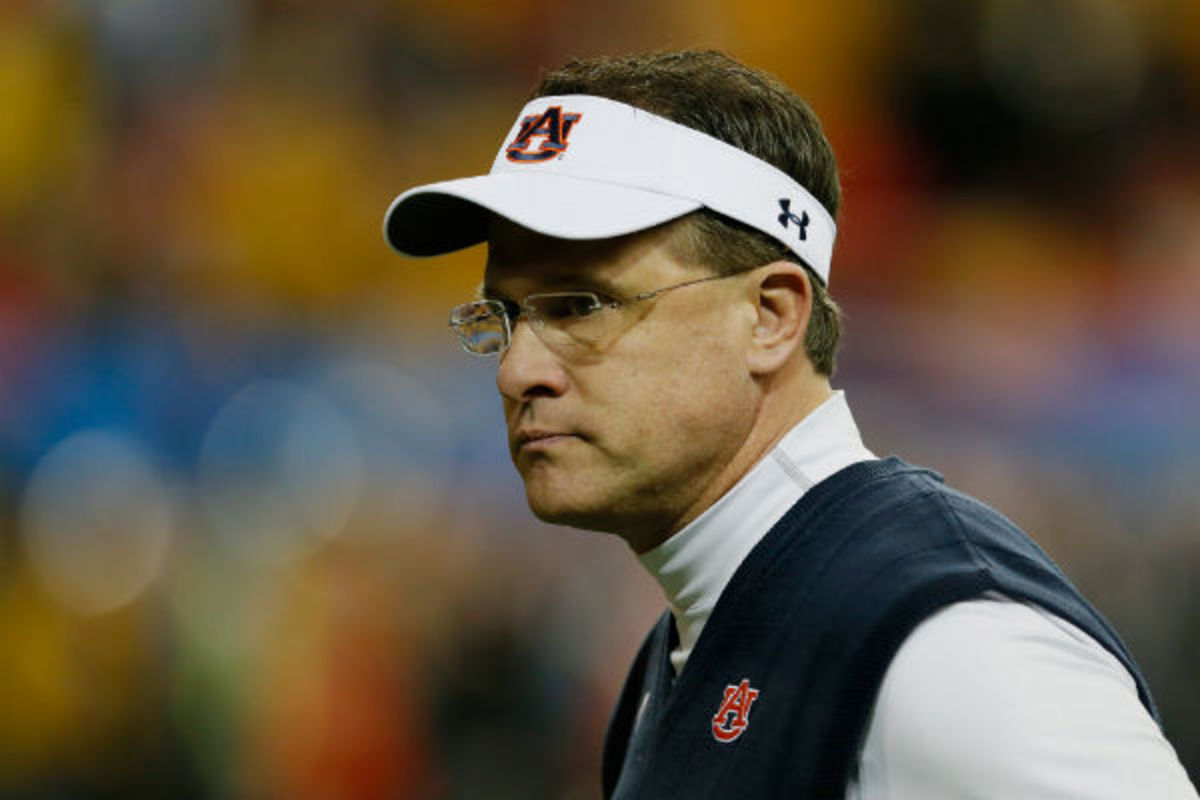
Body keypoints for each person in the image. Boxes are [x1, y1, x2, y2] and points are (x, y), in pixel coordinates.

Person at [382, 50, 1196, 799]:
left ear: (771, 316)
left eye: (579, 306)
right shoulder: (707, 630)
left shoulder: (943, 643)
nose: (517, 370)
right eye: (504, 316)